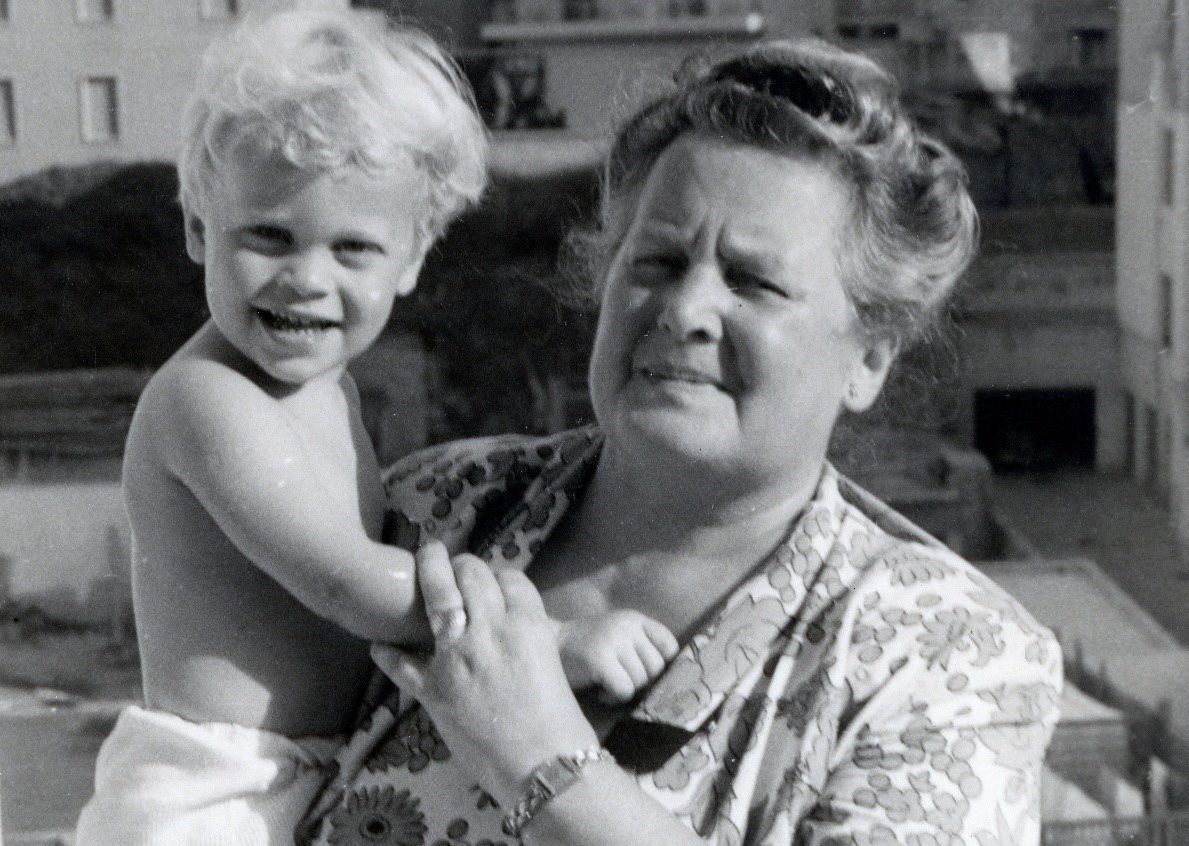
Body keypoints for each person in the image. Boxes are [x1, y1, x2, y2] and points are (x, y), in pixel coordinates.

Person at [298, 38, 1063, 846]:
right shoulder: (431, 508)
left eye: (753, 282)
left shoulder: (947, 657)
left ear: (868, 358)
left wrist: (540, 761)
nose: (684, 309)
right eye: (657, 260)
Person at [75, 10, 673, 845]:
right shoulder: (205, 400)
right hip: (208, 795)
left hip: (298, 773)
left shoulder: (331, 391)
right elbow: (344, 582)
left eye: (352, 249)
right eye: (268, 237)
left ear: (413, 259)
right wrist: (546, 640)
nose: (305, 280)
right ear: (198, 229)